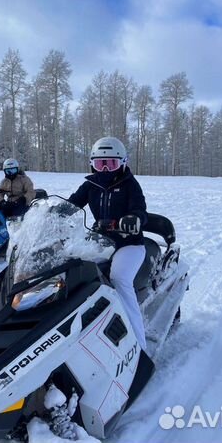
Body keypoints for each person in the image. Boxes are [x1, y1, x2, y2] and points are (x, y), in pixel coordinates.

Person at [67, 136, 148, 350]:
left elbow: (140, 208)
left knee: (119, 278)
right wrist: (54, 211)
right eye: (99, 163)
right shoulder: (90, 185)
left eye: (110, 163)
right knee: (74, 270)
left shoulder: (129, 184)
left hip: (129, 243)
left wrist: (134, 219)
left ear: (122, 163)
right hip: (101, 241)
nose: (104, 169)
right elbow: (72, 203)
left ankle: (140, 344)